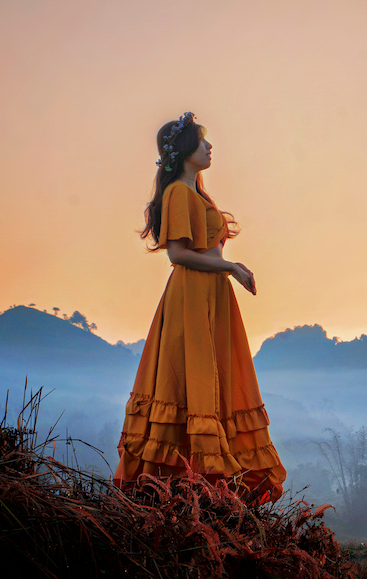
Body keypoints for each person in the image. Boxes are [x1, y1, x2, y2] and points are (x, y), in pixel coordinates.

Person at [115, 111, 286, 502]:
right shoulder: (178, 192)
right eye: (202, 140)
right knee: (191, 386)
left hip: (210, 298)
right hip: (192, 298)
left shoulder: (194, 193)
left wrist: (228, 268)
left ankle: (204, 496)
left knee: (213, 386)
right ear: (185, 150)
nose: (210, 146)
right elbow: (177, 254)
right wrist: (230, 266)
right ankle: (179, 493)